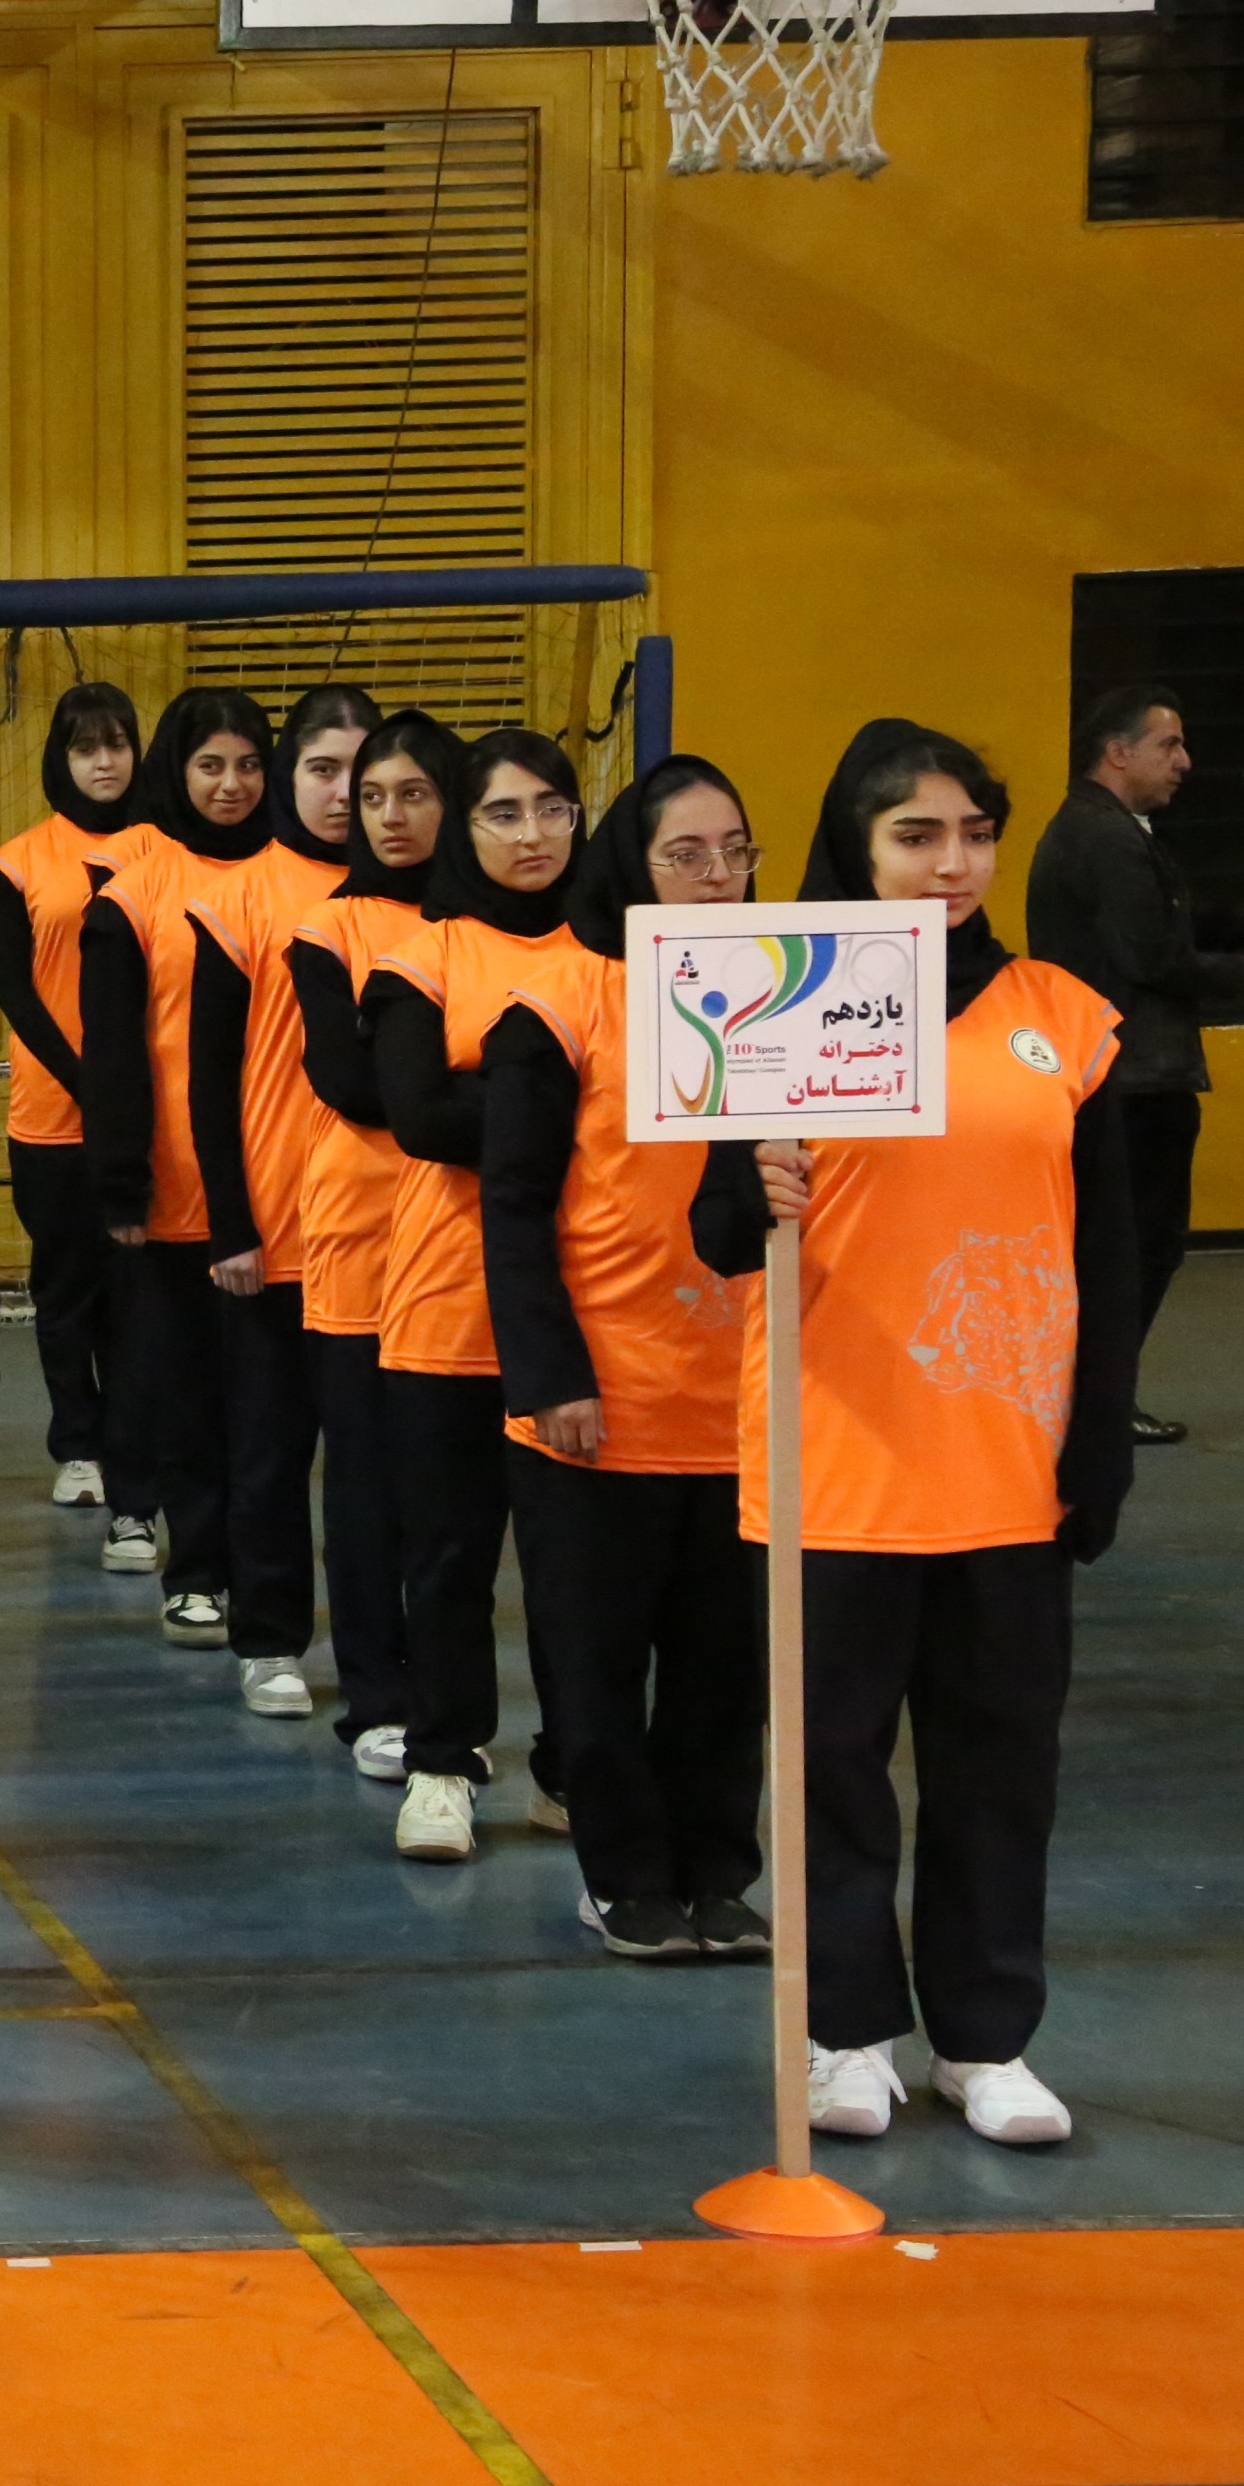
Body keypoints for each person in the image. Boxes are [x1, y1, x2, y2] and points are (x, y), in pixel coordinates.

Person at [694, 720, 1133, 2147]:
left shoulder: (1058, 1014)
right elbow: (713, 1228)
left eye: (972, 835)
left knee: (999, 1762)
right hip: (832, 1456)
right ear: (854, 846)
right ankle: (843, 2034)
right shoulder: (773, 1000)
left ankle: (984, 2040)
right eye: (914, 835)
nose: (950, 864)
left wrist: (1095, 1437)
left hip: (1005, 1461)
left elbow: (1112, 1245)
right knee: (829, 1764)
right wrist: (749, 1183)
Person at [480, 757, 769, 1960]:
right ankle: (621, 1875)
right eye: (683, 855)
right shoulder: (557, 1004)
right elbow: (510, 1205)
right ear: (630, 866)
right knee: (595, 1664)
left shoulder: (784, 996)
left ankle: (715, 1872)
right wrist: (550, 1374)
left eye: (733, 852)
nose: (715, 877)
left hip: (745, 1396)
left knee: (724, 1671)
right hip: (600, 1397)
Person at [365, 729, 589, 1862]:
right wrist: (567, 1109)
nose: (531, 833)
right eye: (502, 812)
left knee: (575, 1569)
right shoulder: (421, 957)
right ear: (463, 827)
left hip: (587, 1306)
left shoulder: (618, 950)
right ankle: (441, 1762)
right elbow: (417, 1117)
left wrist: (499, 1096)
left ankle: (571, 1769)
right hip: (447, 1303)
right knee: (448, 1555)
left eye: (551, 808)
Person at [175, 685, 366, 1718]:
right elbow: (206, 1077)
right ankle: (270, 1637)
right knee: (266, 1448)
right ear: (289, 778)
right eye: (321, 770)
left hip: (388, 1240)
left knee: (375, 1471)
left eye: (362, 773)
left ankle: (384, 1669)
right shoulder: (241, 896)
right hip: (274, 1230)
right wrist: (230, 1224)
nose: (343, 794)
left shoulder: (423, 898)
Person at [1019, 683, 1244, 1446]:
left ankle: (1091, 1393)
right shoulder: (1105, 839)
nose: (1184, 762)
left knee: (1124, 1244)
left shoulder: (1106, 831)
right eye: (1168, 745)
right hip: (1133, 1079)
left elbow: (1177, 922)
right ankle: (1098, 1398)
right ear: (1117, 752)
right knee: (1138, 1245)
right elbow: (1153, 956)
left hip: (1117, 1074)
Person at [79, 688, 279, 1639]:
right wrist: (122, 1181)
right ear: (176, 770)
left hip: (285, 1193)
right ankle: (195, 1570)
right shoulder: (133, 889)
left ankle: (271, 1590)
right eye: (210, 765)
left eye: (248, 764)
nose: (231, 784)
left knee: (271, 1414)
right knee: (190, 1396)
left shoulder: (302, 879)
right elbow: (112, 1048)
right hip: (176, 1191)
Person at [288, 713, 450, 1781]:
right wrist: (458, 1094)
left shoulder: (482, 926)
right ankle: (375, 1699)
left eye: (412, 793)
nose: (387, 815)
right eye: (372, 796)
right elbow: (349, 1082)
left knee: (449, 1491)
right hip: (358, 1230)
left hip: (469, 1233)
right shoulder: (326, 927)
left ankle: (446, 1703)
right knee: (361, 1480)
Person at [0, 681, 144, 1531]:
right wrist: (89, 1081)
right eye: (85, 747)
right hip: (53, 1117)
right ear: (59, 758)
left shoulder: (167, 849)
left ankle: (138, 1450)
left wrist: (131, 1092)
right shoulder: (16, 864)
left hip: (152, 1116)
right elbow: (15, 991)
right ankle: (78, 1447)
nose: (103, 762)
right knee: (67, 1289)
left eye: (116, 744)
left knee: (138, 1296)